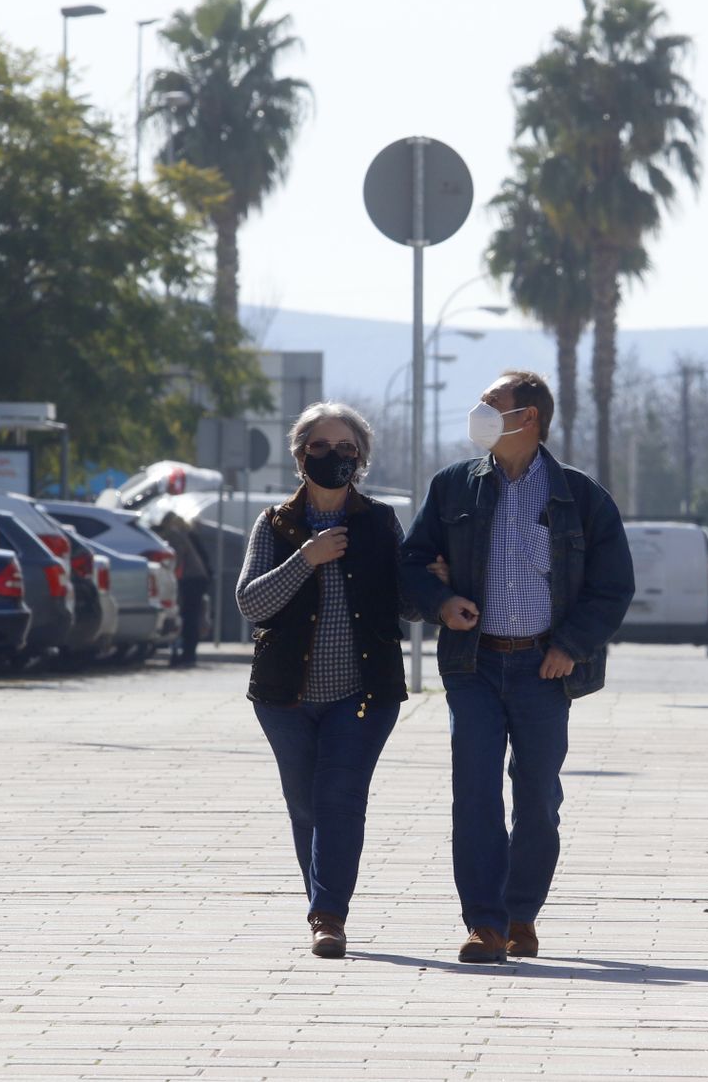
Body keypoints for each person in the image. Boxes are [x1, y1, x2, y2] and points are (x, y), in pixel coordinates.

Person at [402, 370, 635, 963]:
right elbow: (411, 563)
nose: (479, 409)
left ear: (527, 418)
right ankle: (484, 923)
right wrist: (440, 604)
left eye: (492, 402)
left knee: (538, 799)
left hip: (544, 670)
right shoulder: (453, 488)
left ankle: (520, 913)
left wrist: (571, 646)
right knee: (474, 792)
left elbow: (612, 586)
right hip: (472, 665)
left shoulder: (580, 497)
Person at [235, 402, 416, 959]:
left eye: (344, 448)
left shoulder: (379, 522)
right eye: (319, 446)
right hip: (285, 697)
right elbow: (250, 603)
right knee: (306, 806)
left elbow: (406, 601)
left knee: (339, 799)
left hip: (362, 695)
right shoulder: (276, 524)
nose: (331, 456)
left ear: (359, 458)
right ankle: (322, 900)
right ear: (299, 455)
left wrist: (436, 582)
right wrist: (307, 558)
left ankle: (328, 916)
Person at [157, 511, 210, 667]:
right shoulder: (184, 533)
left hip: (190, 578)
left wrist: (173, 579)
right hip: (197, 578)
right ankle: (188, 654)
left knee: (189, 617)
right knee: (191, 616)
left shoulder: (173, 535)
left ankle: (188, 654)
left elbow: (178, 559)